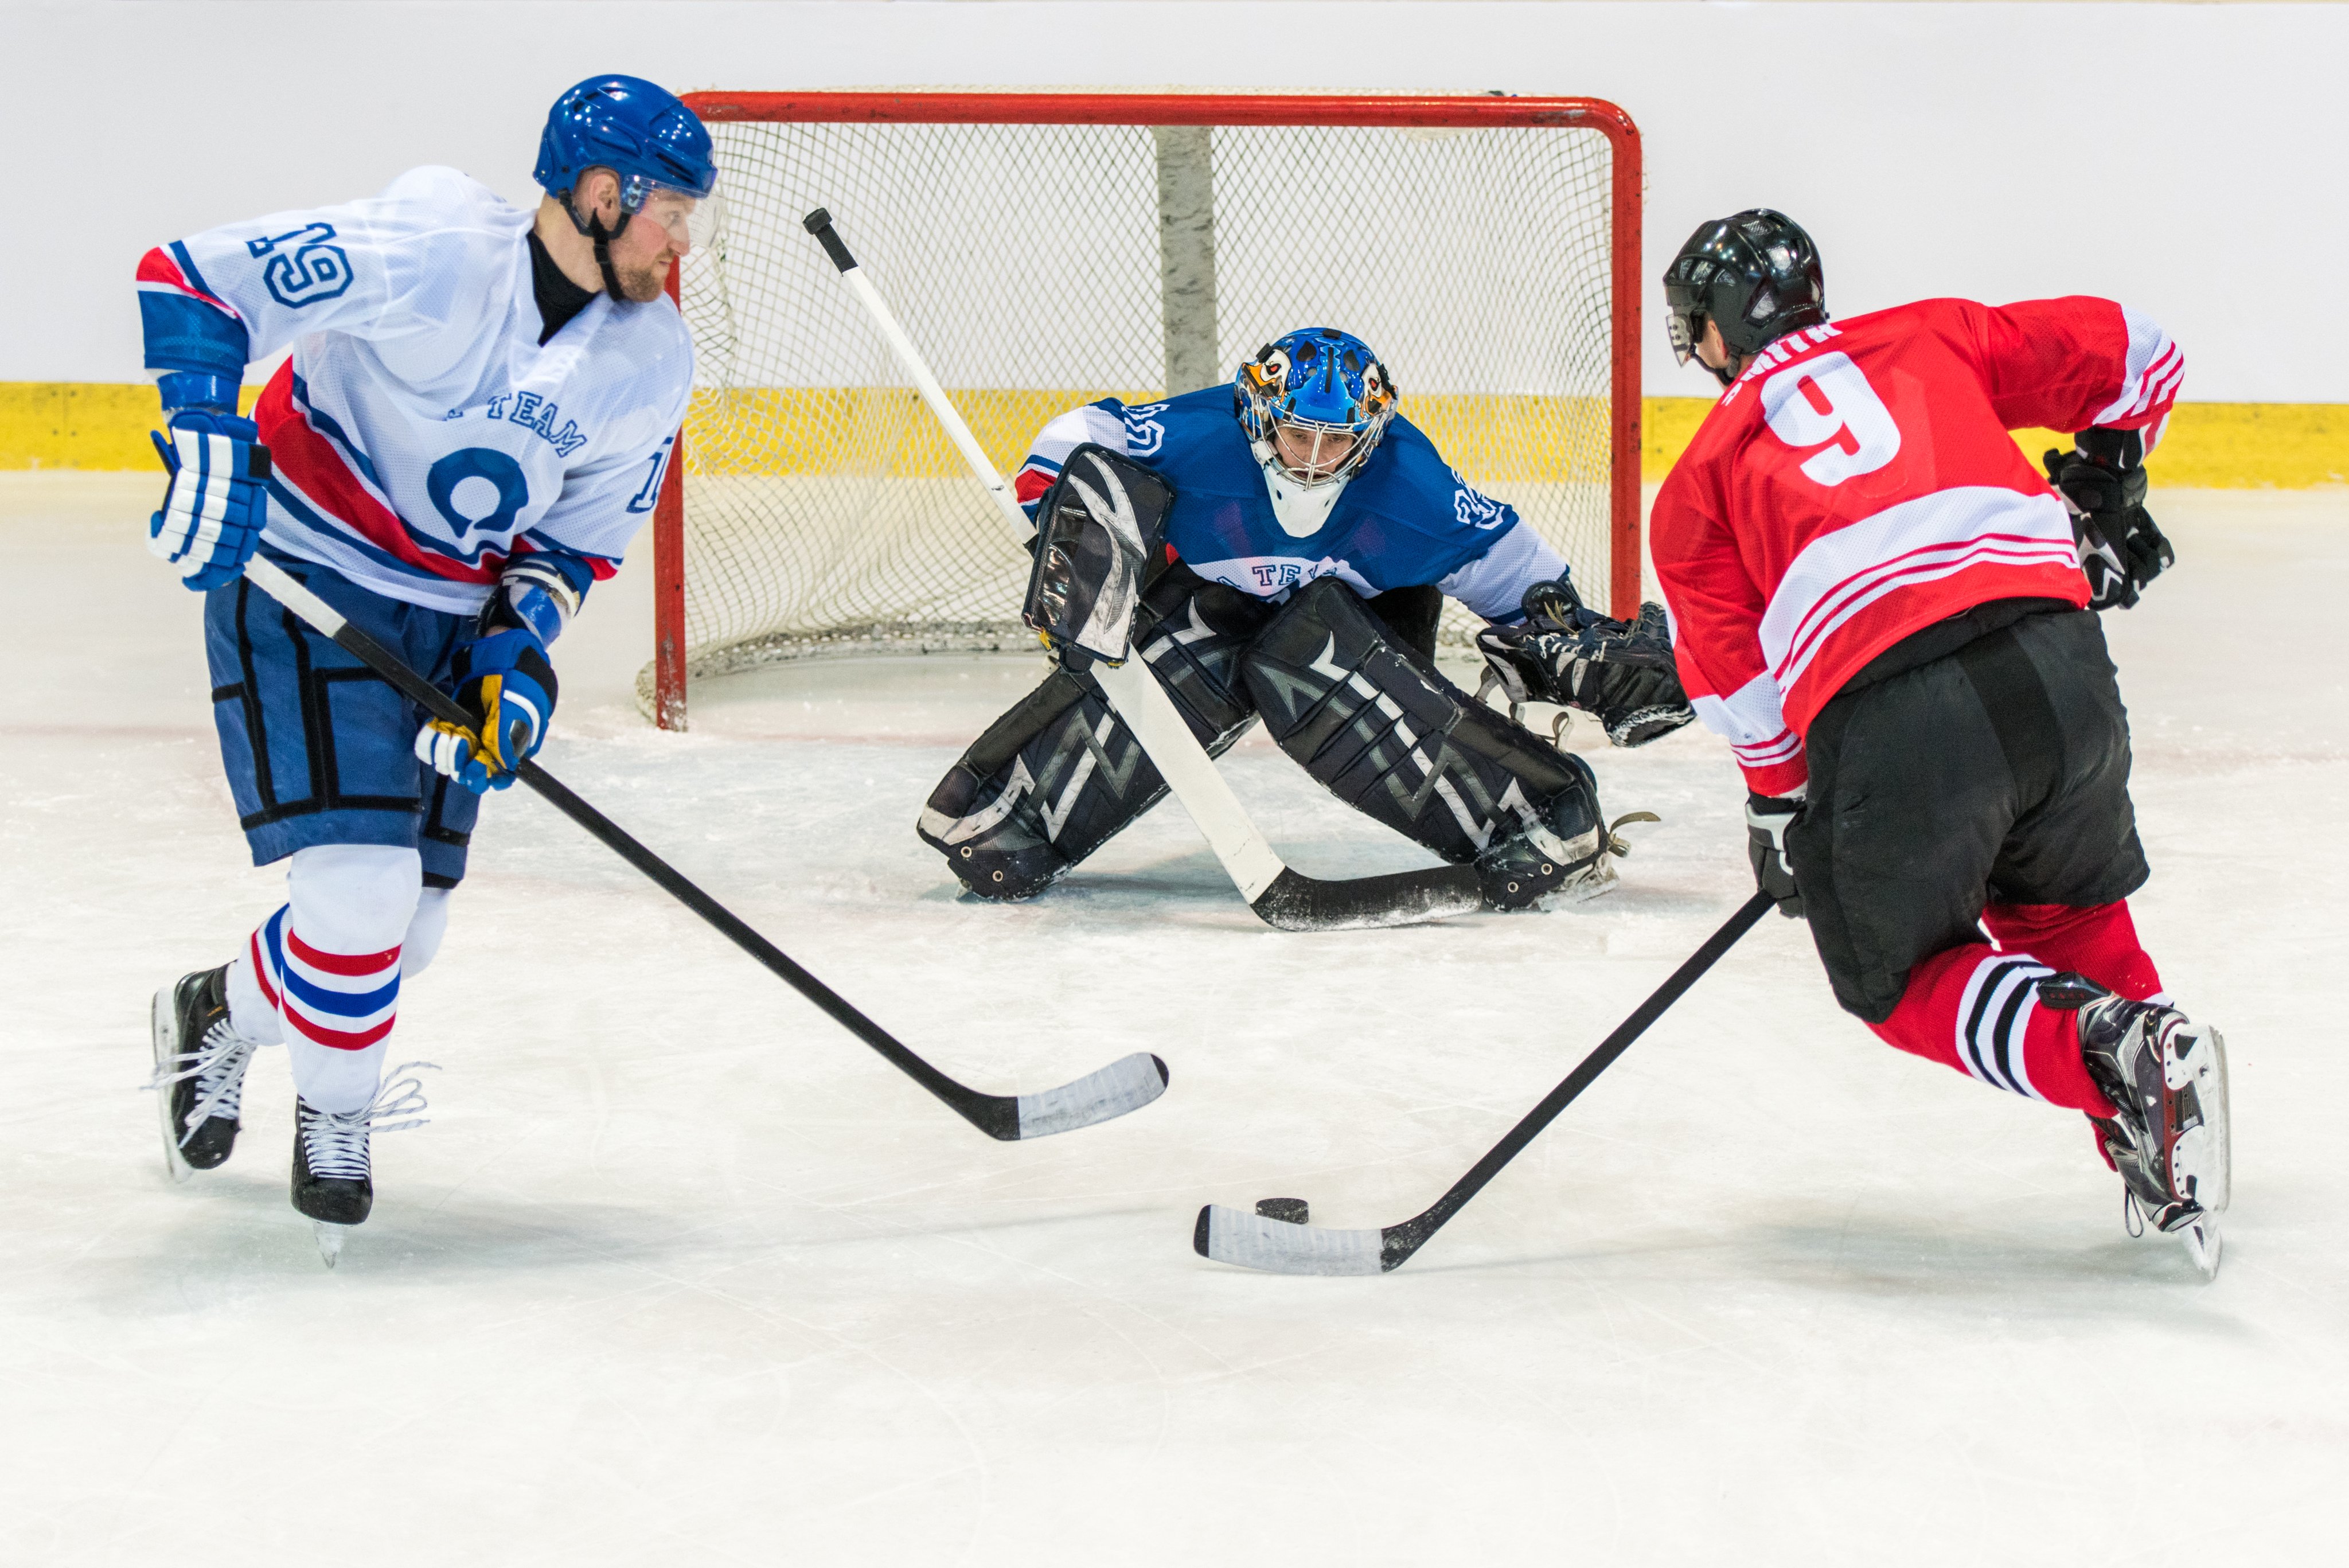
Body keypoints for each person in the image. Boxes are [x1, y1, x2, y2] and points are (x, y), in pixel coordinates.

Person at [139, 76, 713, 1255]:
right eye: (671, 210)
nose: (684, 237)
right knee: (358, 896)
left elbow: (571, 543)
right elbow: (194, 276)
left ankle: (218, 1012)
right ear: (602, 194)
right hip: (305, 573)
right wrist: (202, 425)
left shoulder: (652, 358)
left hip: (449, 616)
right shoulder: (437, 247)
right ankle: (337, 1120)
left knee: (406, 933)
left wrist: (516, 658)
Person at [1642, 208, 2227, 1273]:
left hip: (1900, 708)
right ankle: (2162, 1117)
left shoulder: (1698, 484)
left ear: (1712, 336)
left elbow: (1743, 688)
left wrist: (1783, 809)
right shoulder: (1932, 335)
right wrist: (2106, 484)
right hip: (2064, 669)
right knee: (2070, 910)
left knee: (1897, 975)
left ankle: (2102, 1052)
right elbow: (2145, 354)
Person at [916, 327, 1695, 912]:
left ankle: (1533, 817)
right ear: (1258, 417)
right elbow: (1080, 438)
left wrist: (1567, 635)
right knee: (1208, 634)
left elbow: (1523, 576)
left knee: (1302, 650)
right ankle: (1007, 814)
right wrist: (1070, 523)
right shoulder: (1201, 439)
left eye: (1338, 442)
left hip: (1364, 630)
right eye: (1298, 435)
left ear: (1372, 434)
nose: (1314, 460)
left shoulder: (1409, 488)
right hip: (1216, 604)